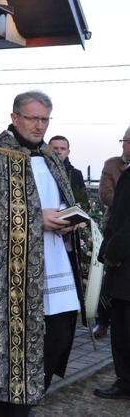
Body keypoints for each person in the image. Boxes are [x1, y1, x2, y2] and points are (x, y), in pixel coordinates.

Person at [0, 90, 84, 416]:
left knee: (58, 336)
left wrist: (69, 219)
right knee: (3, 345)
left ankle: (8, 397)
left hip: (53, 264)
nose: (39, 126)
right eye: (32, 118)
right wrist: (37, 220)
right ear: (14, 118)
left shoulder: (50, 157)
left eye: (45, 119)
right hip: (6, 274)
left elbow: (60, 200)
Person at [94, 158, 130, 400]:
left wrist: (113, 251)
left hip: (126, 263)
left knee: (125, 326)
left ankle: (126, 382)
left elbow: (125, 221)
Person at [94, 128, 130, 338]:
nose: (125, 146)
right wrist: (124, 202)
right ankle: (103, 321)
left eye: (127, 142)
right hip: (114, 227)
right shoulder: (112, 165)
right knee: (110, 278)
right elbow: (105, 194)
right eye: (123, 141)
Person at [49, 135, 88, 208]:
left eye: (63, 149)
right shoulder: (40, 172)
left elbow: (83, 202)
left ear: (68, 152)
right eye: (55, 148)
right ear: (48, 150)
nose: (59, 152)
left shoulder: (76, 174)